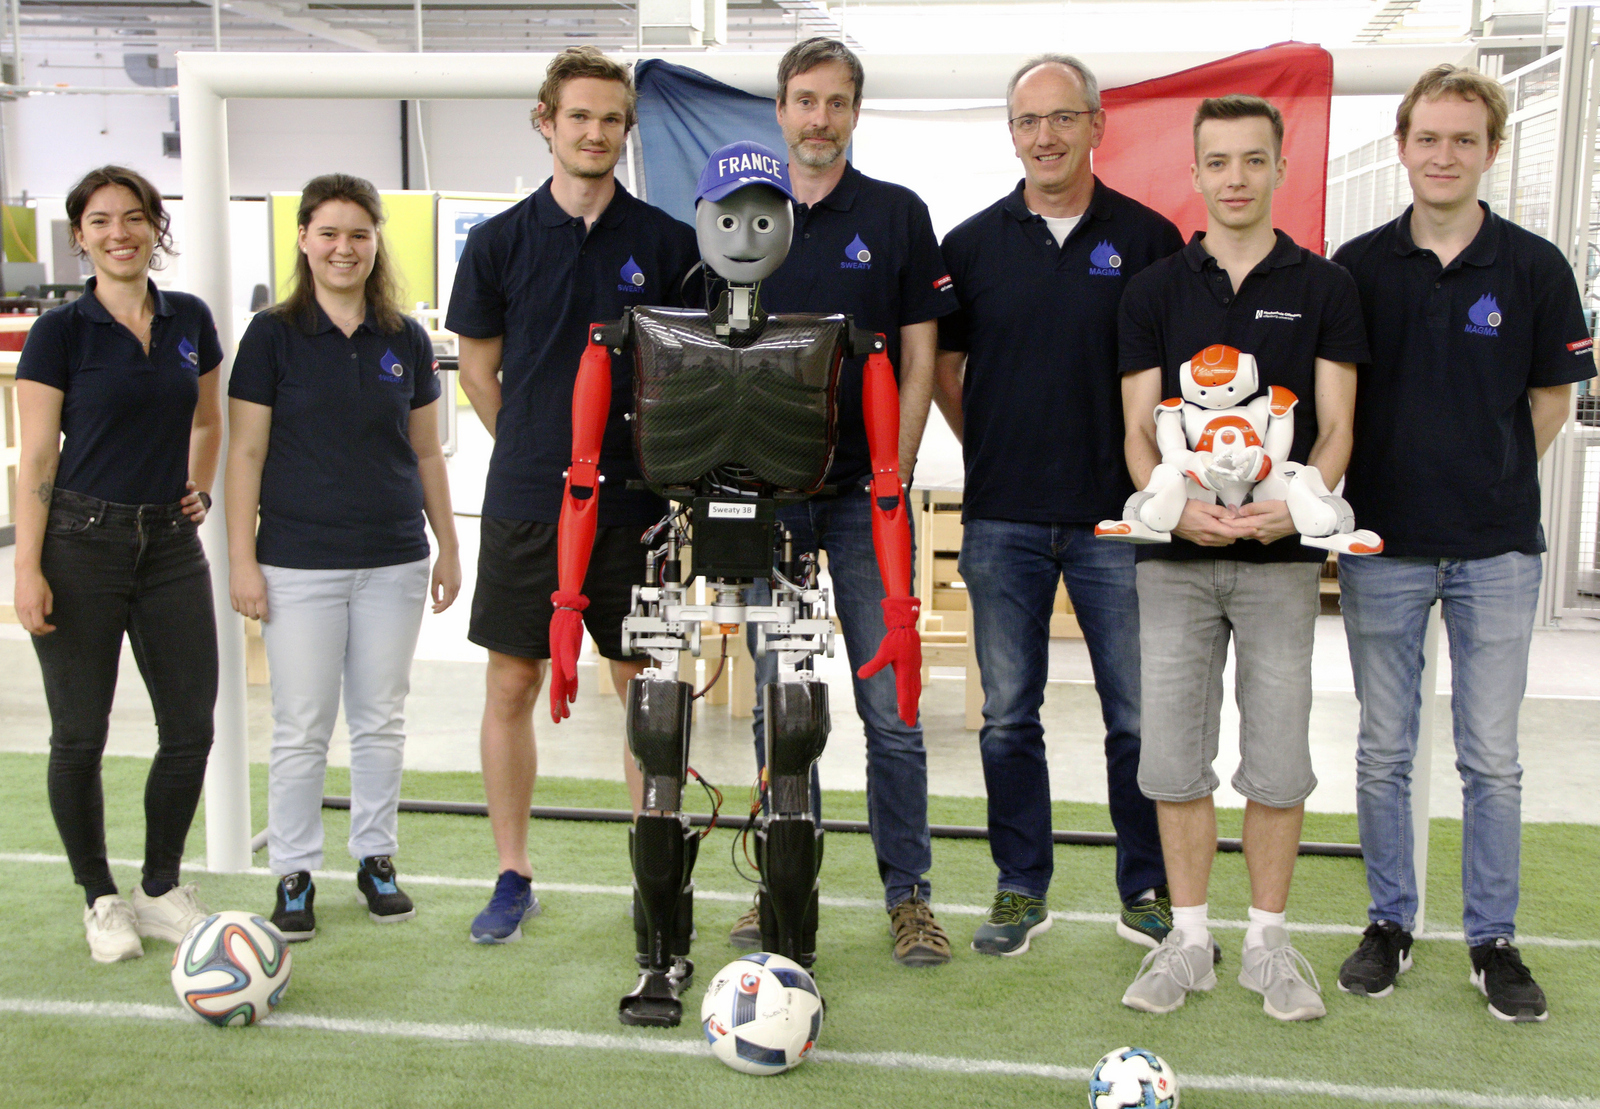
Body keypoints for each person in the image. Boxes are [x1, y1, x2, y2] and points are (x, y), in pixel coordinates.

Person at [1330, 65, 1594, 1023]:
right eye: (1428, 138)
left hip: (1495, 552)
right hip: (1382, 548)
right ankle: (1390, 922)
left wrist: (1484, 471)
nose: (1444, 156)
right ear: (1403, 146)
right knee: (1383, 749)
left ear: (1492, 149)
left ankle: (1494, 939)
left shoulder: (1534, 268)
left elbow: (1551, 400)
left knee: (1493, 757)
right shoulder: (1353, 267)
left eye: (1464, 140)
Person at [1116, 95, 1369, 1022]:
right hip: (1175, 565)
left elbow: (1338, 428)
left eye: (1252, 161)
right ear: (1194, 172)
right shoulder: (1150, 290)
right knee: (1175, 763)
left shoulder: (1325, 286)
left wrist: (1288, 512)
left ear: (1279, 169)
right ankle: (1188, 941)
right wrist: (1175, 514)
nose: (1234, 179)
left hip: (1282, 564)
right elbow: (1141, 436)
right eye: (1217, 162)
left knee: (1276, 762)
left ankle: (1267, 942)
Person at [446, 47, 700, 944]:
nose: (595, 132)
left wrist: (617, 465)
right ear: (546, 122)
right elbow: (478, 371)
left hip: (636, 508)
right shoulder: (498, 242)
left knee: (646, 693)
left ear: (626, 133)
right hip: (527, 503)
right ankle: (512, 873)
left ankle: (654, 871)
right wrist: (540, 450)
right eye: (579, 116)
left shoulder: (668, 244)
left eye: (611, 119)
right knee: (511, 682)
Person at [933, 54, 1181, 959]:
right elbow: (947, 373)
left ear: (1096, 125)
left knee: (1138, 717)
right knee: (1009, 716)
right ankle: (1018, 886)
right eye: (1028, 121)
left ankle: (1145, 885)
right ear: (1012, 134)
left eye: (1063, 118)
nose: (1045, 136)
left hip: (1121, 521)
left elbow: (1172, 389)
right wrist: (993, 444)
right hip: (1002, 516)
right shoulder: (968, 246)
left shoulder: (1151, 241)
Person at [728, 37, 958, 967]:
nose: (819, 117)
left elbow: (918, 358)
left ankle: (909, 896)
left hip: (868, 502)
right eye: (804, 100)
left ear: (855, 113)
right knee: (777, 707)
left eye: (836, 102)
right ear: (780, 111)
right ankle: (781, 880)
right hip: (768, 502)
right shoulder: (738, 216)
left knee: (890, 708)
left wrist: (893, 477)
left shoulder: (897, 216)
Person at [226, 173, 461, 941]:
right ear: (303, 238)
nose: (344, 247)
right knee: (300, 723)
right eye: (329, 232)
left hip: (393, 559)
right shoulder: (271, 336)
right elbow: (246, 454)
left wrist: (449, 547)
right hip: (298, 561)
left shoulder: (406, 339)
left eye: (359, 233)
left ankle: (375, 858)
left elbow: (427, 453)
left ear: (375, 242)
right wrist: (240, 559)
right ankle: (293, 873)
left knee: (379, 719)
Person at [13, 165, 222, 963]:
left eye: (133, 218)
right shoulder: (60, 333)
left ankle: (160, 885)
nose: (118, 233)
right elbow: (37, 453)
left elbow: (206, 419)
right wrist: (27, 567)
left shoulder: (189, 319)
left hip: (169, 547)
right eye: (100, 221)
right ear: (80, 236)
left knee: (191, 728)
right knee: (79, 735)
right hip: (79, 542)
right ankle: (100, 896)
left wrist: (194, 486)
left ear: (153, 228)